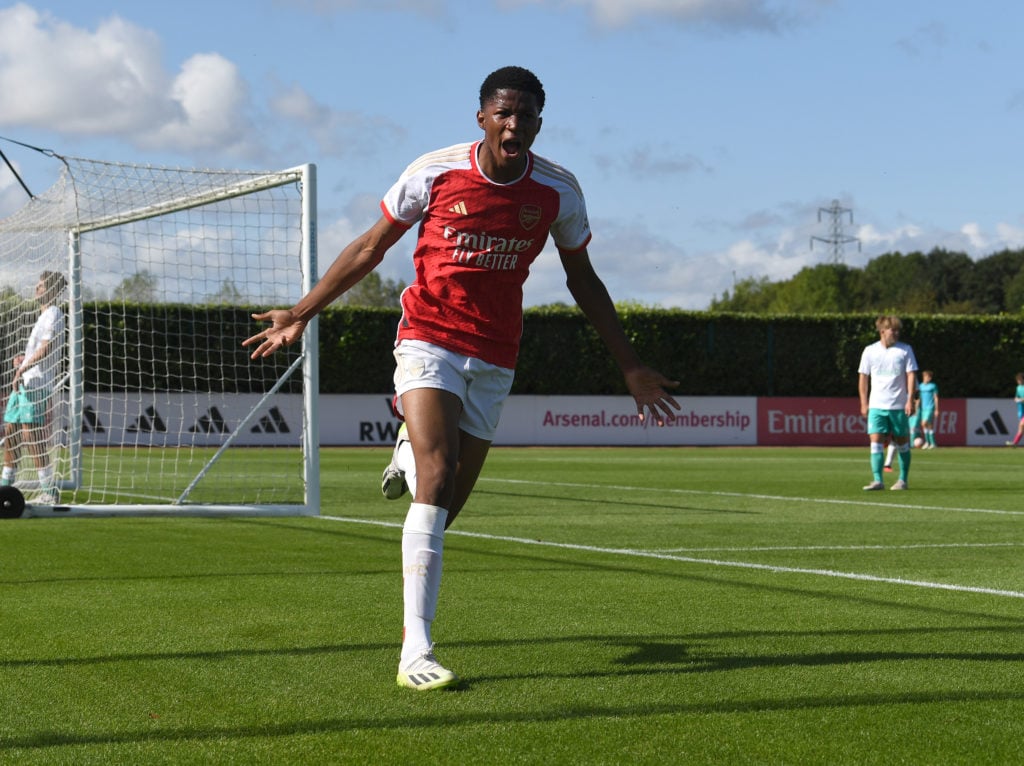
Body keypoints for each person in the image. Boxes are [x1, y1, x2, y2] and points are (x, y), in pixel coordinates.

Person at [244, 66, 680, 691]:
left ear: (538, 122)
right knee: (438, 472)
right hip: (429, 335)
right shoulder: (435, 170)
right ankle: (414, 652)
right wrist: (301, 313)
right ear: (481, 118)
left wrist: (631, 365)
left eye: (526, 114)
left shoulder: (558, 189)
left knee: (443, 505)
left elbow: (582, 278)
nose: (514, 124)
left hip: (497, 354)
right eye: (503, 113)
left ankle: (406, 454)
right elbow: (371, 247)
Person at [1, 270, 67, 503]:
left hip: (37, 382)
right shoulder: (42, 316)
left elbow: (46, 348)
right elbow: (37, 351)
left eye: (40, 286)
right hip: (26, 381)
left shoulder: (54, 313)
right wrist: (23, 360)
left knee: (32, 434)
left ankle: (49, 491)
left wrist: (22, 368)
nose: (36, 289)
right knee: (11, 430)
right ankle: (4, 486)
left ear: (51, 290)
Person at [858, 315, 918, 490]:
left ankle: (903, 480)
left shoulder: (905, 350)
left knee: (902, 443)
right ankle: (878, 480)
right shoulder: (869, 351)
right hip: (877, 405)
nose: (897, 333)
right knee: (875, 441)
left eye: (898, 330)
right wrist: (864, 402)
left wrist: (910, 400)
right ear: (882, 331)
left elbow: (911, 375)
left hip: (898, 406)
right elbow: (863, 377)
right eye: (893, 329)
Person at [917, 370, 939, 448]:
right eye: (927, 376)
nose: (928, 378)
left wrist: (937, 409)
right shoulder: (921, 386)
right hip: (923, 408)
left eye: (929, 377)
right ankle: (930, 443)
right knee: (927, 425)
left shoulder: (933, 386)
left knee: (924, 423)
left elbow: (936, 397)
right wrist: (917, 406)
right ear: (924, 377)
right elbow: (919, 398)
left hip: (930, 407)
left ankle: (930, 442)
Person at [1006, 372, 1024, 447]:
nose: (1018, 381)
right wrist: (1017, 399)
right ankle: (1015, 443)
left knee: (1021, 425)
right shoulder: (1018, 388)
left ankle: (1015, 442)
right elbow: (1016, 397)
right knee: (1021, 428)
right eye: (1017, 380)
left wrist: (1020, 400)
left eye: (1019, 379)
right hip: (1021, 411)